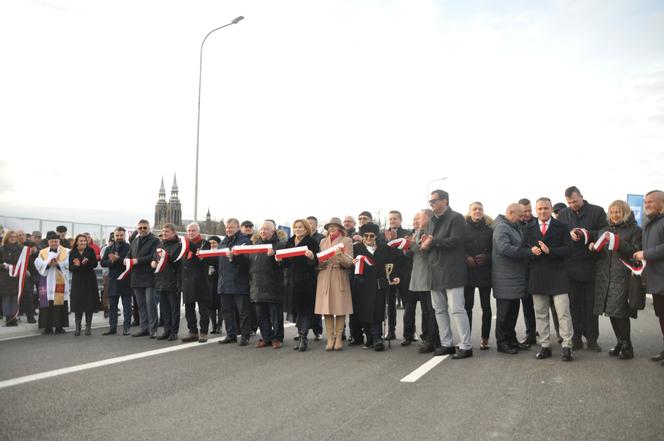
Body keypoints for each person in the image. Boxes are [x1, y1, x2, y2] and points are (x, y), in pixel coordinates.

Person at [421, 190, 472, 359]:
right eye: (430, 201)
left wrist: (433, 242)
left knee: (457, 309)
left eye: (434, 201)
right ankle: (447, 344)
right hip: (435, 271)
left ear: (445, 201)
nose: (431, 204)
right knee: (439, 310)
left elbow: (456, 241)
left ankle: (465, 346)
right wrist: (424, 247)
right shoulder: (430, 222)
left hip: (452, 271)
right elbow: (424, 245)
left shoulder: (456, 218)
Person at [557, 186, 608, 351]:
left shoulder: (597, 211)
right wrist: (569, 234)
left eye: (575, 201)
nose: (573, 205)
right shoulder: (563, 214)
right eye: (569, 202)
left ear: (582, 197)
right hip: (570, 266)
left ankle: (592, 339)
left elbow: (605, 231)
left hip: (590, 264)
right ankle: (576, 338)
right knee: (573, 305)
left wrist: (589, 234)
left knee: (590, 304)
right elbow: (559, 235)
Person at [590, 200, 642, 359]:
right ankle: (620, 342)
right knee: (611, 311)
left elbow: (635, 252)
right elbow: (599, 254)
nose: (614, 215)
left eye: (618, 212)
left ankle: (627, 345)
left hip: (623, 275)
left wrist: (618, 243)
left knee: (621, 312)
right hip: (604, 276)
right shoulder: (604, 230)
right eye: (612, 212)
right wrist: (593, 248)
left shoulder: (635, 229)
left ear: (625, 212)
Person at [524, 197, 574, 361]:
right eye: (539, 209)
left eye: (546, 208)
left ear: (551, 209)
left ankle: (567, 346)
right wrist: (531, 251)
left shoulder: (562, 226)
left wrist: (549, 251)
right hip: (537, 275)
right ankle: (544, 346)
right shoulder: (528, 227)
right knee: (540, 314)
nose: (543, 211)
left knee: (563, 313)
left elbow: (568, 249)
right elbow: (523, 249)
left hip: (558, 275)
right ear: (535, 210)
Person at [351, 223, 400, 351]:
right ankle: (369, 337)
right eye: (365, 236)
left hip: (379, 283)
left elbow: (390, 265)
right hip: (362, 284)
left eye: (371, 236)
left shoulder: (384, 248)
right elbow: (350, 266)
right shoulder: (356, 249)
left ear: (376, 236)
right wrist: (352, 264)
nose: (368, 238)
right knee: (364, 312)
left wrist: (393, 276)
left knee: (377, 311)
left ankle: (378, 338)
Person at [492, 204, 531, 354]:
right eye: (520, 215)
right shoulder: (502, 228)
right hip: (505, 279)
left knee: (513, 313)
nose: (522, 218)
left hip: (515, 278)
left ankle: (511, 340)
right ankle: (502, 343)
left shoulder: (514, 227)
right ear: (510, 212)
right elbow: (504, 249)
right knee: (504, 315)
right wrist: (527, 252)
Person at [633, 190, 664, 365]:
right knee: (662, 316)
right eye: (645, 202)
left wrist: (645, 253)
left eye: (651, 202)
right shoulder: (649, 222)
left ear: (662, 202)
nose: (647, 205)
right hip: (656, 279)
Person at [279, 219, 319, 351]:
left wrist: (312, 257)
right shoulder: (290, 242)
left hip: (307, 282)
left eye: (300, 227)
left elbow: (317, 262)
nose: (297, 229)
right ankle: (301, 335)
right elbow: (285, 263)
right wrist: (279, 260)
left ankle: (303, 337)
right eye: (295, 227)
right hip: (292, 282)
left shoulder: (312, 242)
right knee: (297, 311)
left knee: (305, 311)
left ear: (307, 229)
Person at [315, 217, 354, 351]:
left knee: (340, 308)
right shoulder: (323, 241)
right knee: (327, 309)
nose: (331, 228)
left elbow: (349, 262)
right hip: (325, 275)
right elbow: (318, 262)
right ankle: (330, 338)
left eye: (334, 226)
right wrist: (320, 261)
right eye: (329, 226)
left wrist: (340, 256)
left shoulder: (346, 241)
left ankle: (338, 338)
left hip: (339, 275)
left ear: (339, 228)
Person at [249, 221, 285, 348]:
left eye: (266, 229)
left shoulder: (280, 245)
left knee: (275, 314)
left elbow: (285, 264)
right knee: (261, 314)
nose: (263, 231)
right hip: (257, 285)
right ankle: (266, 337)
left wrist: (275, 256)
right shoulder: (255, 245)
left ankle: (277, 338)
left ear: (273, 231)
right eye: (261, 229)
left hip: (273, 285)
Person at [463, 201, 493, 350]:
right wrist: (465, 257)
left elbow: (495, 249)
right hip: (467, 272)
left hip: (484, 271)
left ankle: (485, 338)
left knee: (486, 306)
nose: (477, 211)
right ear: (469, 212)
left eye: (480, 209)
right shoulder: (462, 228)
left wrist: (487, 257)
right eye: (474, 209)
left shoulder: (489, 229)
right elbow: (457, 247)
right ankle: (466, 338)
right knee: (467, 307)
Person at [409, 209, 440, 353]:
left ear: (427, 218)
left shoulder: (428, 231)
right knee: (426, 310)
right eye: (415, 218)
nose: (417, 221)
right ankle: (427, 337)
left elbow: (424, 251)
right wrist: (406, 245)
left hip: (428, 275)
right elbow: (410, 253)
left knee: (431, 310)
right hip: (418, 276)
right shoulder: (417, 232)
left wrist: (411, 244)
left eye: (419, 218)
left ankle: (432, 339)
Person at [218, 218, 252, 346]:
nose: (228, 230)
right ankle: (231, 334)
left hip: (239, 281)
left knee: (242, 311)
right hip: (224, 282)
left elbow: (246, 262)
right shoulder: (223, 241)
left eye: (231, 227)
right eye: (227, 227)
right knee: (226, 311)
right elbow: (218, 260)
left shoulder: (244, 241)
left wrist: (234, 258)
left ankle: (245, 335)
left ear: (238, 227)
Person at [126, 219, 160, 338]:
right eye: (140, 228)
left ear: (149, 228)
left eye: (144, 227)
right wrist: (126, 259)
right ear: (137, 229)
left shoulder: (155, 240)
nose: (142, 230)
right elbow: (129, 254)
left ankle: (153, 329)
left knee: (150, 304)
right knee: (140, 305)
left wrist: (137, 261)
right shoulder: (135, 241)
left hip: (149, 276)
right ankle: (144, 328)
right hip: (136, 276)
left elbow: (154, 255)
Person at [382, 210, 411, 341]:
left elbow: (407, 255)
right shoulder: (383, 235)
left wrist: (395, 242)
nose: (392, 221)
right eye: (391, 219)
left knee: (407, 303)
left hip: (404, 273)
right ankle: (391, 331)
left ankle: (409, 332)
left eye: (395, 218)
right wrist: (389, 243)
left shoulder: (407, 234)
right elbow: (383, 254)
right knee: (390, 304)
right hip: (389, 274)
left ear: (400, 220)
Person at [180, 223, 211, 343]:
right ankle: (192, 331)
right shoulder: (184, 246)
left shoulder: (204, 243)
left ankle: (203, 332)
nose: (191, 232)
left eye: (193, 230)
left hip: (200, 281)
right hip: (187, 281)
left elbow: (204, 257)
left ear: (198, 232)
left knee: (203, 309)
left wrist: (187, 243)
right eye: (188, 230)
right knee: (189, 308)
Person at [34, 231, 70, 334]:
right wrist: (48, 264)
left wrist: (59, 264)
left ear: (59, 241)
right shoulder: (43, 252)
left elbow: (69, 262)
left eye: (56, 241)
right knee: (46, 304)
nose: (54, 243)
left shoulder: (66, 251)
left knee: (59, 303)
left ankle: (59, 327)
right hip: (47, 281)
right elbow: (37, 262)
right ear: (48, 242)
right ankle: (47, 327)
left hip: (60, 281)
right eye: (51, 241)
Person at [150, 224, 181, 341]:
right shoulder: (160, 245)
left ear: (173, 232)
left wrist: (166, 257)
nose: (164, 233)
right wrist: (153, 263)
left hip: (173, 282)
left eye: (167, 231)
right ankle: (166, 330)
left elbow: (176, 262)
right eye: (163, 231)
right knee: (164, 309)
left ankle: (174, 332)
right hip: (160, 281)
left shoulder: (178, 246)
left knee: (174, 309)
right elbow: (154, 258)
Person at [100, 227, 133, 335]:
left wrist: (118, 259)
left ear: (124, 236)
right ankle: (112, 327)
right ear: (114, 236)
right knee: (112, 305)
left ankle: (126, 327)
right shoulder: (109, 248)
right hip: (113, 280)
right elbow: (103, 262)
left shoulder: (129, 247)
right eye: (117, 235)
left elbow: (128, 262)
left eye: (121, 235)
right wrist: (112, 261)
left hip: (125, 279)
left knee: (127, 305)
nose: (119, 237)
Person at [69, 234, 99, 336]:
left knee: (88, 303)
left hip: (89, 279)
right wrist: (77, 265)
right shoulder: (73, 252)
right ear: (76, 242)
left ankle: (88, 327)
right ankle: (78, 327)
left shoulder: (90, 250)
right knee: (78, 303)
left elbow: (95, 264)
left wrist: (87, 262)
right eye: (80, 241)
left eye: (84, 241)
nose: (83, 243)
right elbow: (70, 268)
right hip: (77, 280)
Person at [518, 198, 537, 346]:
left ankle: (547, 332)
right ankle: (530, 334)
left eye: (530, 210)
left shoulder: (538, 222)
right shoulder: (515, 224)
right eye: (524, 211)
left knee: (544, 305)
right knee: (527, 305)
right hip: (523, 271)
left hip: (539, 268)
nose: (528, 214)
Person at [0, 230, 22, 326]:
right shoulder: (2, 249)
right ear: (7, 238)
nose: (13, 238)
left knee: (15, 297)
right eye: (11, 237)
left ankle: (14, 317)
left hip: (17, 277)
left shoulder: (21, 249)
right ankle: (8, 318)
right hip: (5, 277)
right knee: (7, 297)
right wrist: (3, 266)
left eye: (15, 236)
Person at [206, 235, 222, 334]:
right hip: (209, 281)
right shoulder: (206, 253)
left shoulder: (221, 252)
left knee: (220, 305)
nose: (212, 245)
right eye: (210, 243)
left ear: (218, 244)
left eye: (214, 243)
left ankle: (219, 326)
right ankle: (213, 326)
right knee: (210, 305)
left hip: (219, 280)